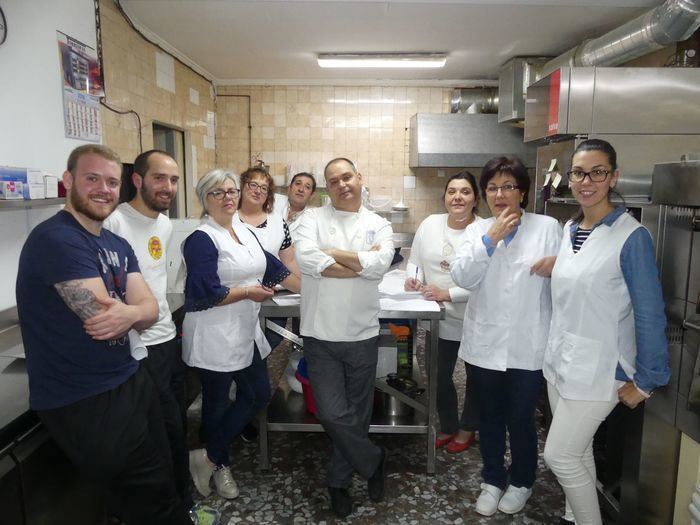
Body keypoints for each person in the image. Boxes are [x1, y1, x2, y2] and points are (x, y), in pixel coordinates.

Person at [16, 144, 192, 524]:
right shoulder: (57, 239)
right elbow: (101, 317)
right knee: (149, 499)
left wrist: (132, 312)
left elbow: (149, 310)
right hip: (83, 396)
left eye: (110, 182)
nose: (103, 189)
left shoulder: (114, 243)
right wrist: (134, 311)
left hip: (128, 376)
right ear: (68, 182)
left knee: (161, 478)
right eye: (92, 179)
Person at [542, 139, 670, 525]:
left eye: (597, 172)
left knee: (559, 456)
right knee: (578, 455)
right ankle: (575, 517)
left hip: (603, 370)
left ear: (613, 177)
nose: (587, 181)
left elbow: (649, 313)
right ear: (569, 178)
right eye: (579, 172)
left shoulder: (632, 237)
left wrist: (647, 380)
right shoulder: (570, 230)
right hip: (561, 363)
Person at [450, 155, 562, 517]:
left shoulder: (547, 227)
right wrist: (489, 239)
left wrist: (559, 267)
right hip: (485, 345)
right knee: (490, 418)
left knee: (521, 417)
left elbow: (570, 280)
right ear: (485, 194)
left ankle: (522, 481)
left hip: (529, 344)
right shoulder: (474, 230)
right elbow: (463, 277)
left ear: (523, 192)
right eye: (493, 188)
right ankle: (493, 478)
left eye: (508, 186)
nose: (500, 194)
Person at [183, 169, 297, 500]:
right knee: (216, 404)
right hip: (214, 334)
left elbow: (276, 269)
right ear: (205, 198)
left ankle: (207, 456)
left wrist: (319, 286)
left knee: (258, 394)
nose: (228, 198)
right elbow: (205, 293)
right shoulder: (202, 239)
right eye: (218, 193)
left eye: (232, 191)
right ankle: (220, 465)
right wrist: (248, 293)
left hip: (244, 332)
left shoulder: (244, 232)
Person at [295, 157, 395, 518]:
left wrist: (334, 253)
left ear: (359, 178)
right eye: (333, 181)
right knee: (332, 413)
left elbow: (381, 265)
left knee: (357, 414)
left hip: (362, 333)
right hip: (320, 334)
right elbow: (308, 261)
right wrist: (361, 266)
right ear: (327, 188)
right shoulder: (311, 219)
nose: (342, 185)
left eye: (347, 177)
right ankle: (373, 459)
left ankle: (338, 481)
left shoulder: (378, 224)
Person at [103, 149, 192, 508]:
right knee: (163, 427)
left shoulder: (164, 224)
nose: (168, 187)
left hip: (167, 338)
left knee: (176, 422)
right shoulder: (114, 223)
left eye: (173, 180)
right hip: (139, 347)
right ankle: (175, 503)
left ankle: (177, 496)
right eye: (160, 178)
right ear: (137, 180)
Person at [404, 170, 481, 453]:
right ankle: (448, 425)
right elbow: (415, 261)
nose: (457, 197)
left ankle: (467, 428)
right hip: (438, 317)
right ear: (445, 196)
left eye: (465, 191)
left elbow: (490, 280)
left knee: (477, 379)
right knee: (437, 375)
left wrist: (448, 293)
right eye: (452, 191)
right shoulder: (431, 224)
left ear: (475, 198)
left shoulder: (485, 229)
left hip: (476, 316)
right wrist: (414, 278)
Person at [273, 171, 317, 241]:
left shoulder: (312, 218)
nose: (301, 189)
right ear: (289, 188)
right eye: (298, 184)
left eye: (307, 187)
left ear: (312, 195)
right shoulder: (273, 200)